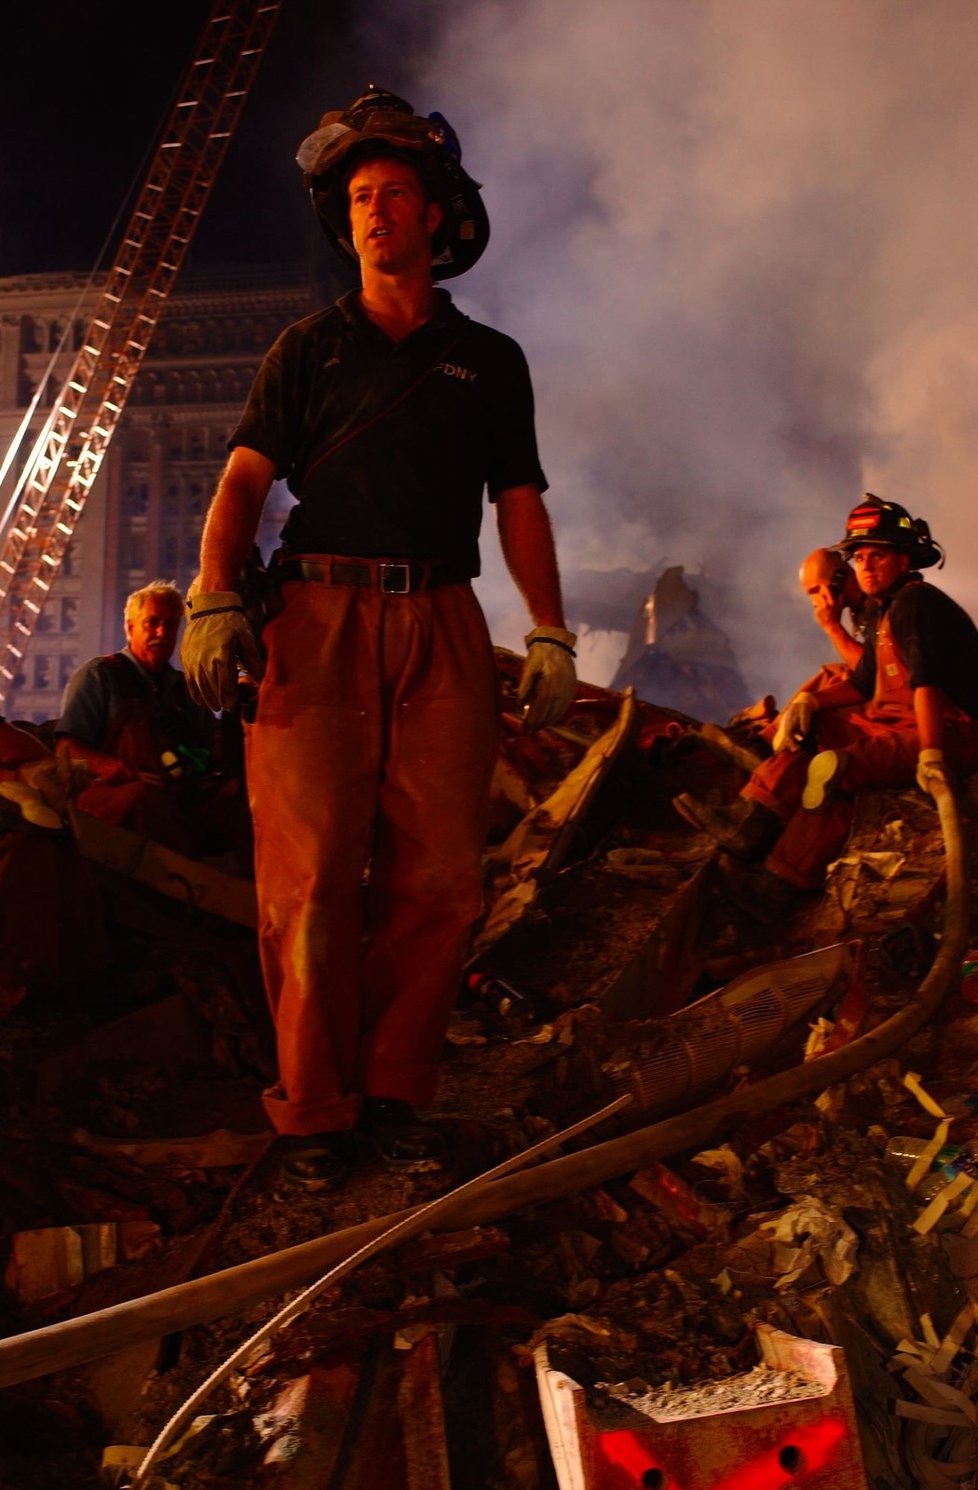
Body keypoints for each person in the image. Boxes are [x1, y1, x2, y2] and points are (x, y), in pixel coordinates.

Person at [179, 87, 577, 1185]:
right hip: (318, 618)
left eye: (397, 193)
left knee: (440, 877)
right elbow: (244, 481)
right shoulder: (307, 349)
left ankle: (396, 1089)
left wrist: (549, 630)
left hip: (444, 617)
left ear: (440, 217)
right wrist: (215, 597)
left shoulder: (491, 360)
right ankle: (313, 1109)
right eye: (360, 196)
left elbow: (521, 500)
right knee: (307, 877)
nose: (375, 211)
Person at [672, 495, 978, 920]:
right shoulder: (889, 608)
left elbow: (926, 684)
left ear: (905, 560)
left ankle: (782, 882)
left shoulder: (916, 604)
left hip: (947, 729)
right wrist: (809, 702)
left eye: (879, 556)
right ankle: (748, 823)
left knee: (833, 770)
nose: (867, 566)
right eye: (861, 557)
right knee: (811, 732)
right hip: (892, 722)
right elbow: (862, 682)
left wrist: (930, 754)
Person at [56, 581, 235, 857]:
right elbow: (67, 749)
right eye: (152, 623)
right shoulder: (100, 676)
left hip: (176, 801)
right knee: (143, 800)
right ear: (129, 627)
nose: (162, 632)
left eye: (171, 624)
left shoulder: (184, 689)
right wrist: (119, 769)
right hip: (112, 803)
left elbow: (214, 746)